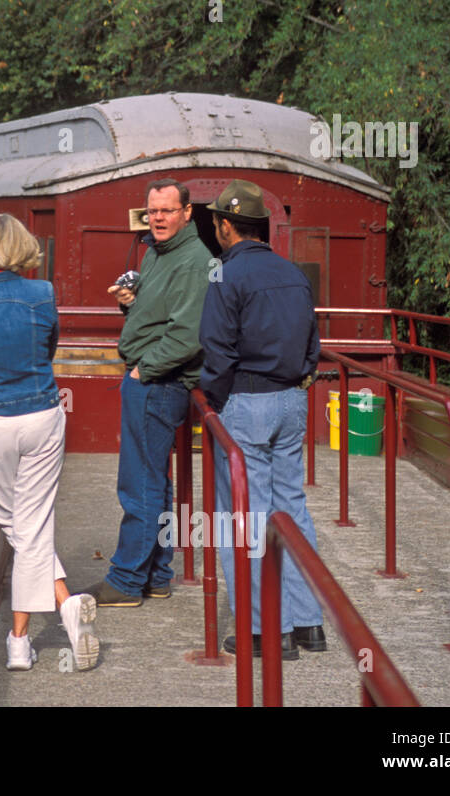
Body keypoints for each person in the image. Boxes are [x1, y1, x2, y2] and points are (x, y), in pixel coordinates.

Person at [0, 213, 99, 671]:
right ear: (22, 246)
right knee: (32, 524)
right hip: (41, 415)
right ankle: (62, 606)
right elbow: (47, 351)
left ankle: (19, 642)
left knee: (10, 519)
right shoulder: (43, 293)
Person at [198, 179, 325, 660]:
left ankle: (262, 630)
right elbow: (312, 347)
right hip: (293, 399)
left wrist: (213, 401)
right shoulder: (294, 274)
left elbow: (217, 348)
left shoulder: (221, 275)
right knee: (291, 509)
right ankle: (307, 622)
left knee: (245, 518)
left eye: (217, 223)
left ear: (226, 226)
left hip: (246, 403)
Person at [79, 179, 212, 607]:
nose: (158, 218)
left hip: (159, 383)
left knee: (139, 482)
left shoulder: (194, 261)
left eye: (167, 211)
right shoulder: (159, 253)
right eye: (152, 211)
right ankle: (156, 574)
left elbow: (188, 335)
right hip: (153, 380)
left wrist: (143, 371)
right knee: (154, 479)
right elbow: (159, 316)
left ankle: (126, 580)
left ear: (187, 213)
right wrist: (129, 303)